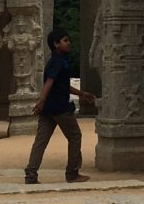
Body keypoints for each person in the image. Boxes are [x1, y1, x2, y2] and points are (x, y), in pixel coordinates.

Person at [24, 28, 95, 184]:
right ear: (56, 44)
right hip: (60, 107)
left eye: (68, 40)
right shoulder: (59, 61)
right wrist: (41, 100)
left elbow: (61, 84)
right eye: (65, 40)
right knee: (75, 136)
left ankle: (31, 174)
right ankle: (72, 173)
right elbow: (49, 81)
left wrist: (82, 93)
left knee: (41, 141)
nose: (69, 43)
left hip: (49, 107)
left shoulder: (53, 61)